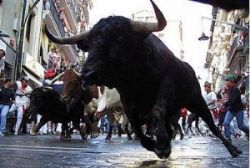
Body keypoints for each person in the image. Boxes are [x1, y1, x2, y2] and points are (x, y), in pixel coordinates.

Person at [223, 74, 249, 141]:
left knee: (241, 126)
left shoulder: (236, 90)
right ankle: (228, 138)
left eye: (227, 81)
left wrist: (225, 104)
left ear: (231, 82)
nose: (226, 82)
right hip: (231, 110)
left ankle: (248, 132)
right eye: (226, 81)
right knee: (226, 123)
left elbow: (232, 100)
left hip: (238, 111)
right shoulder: (230, 89)